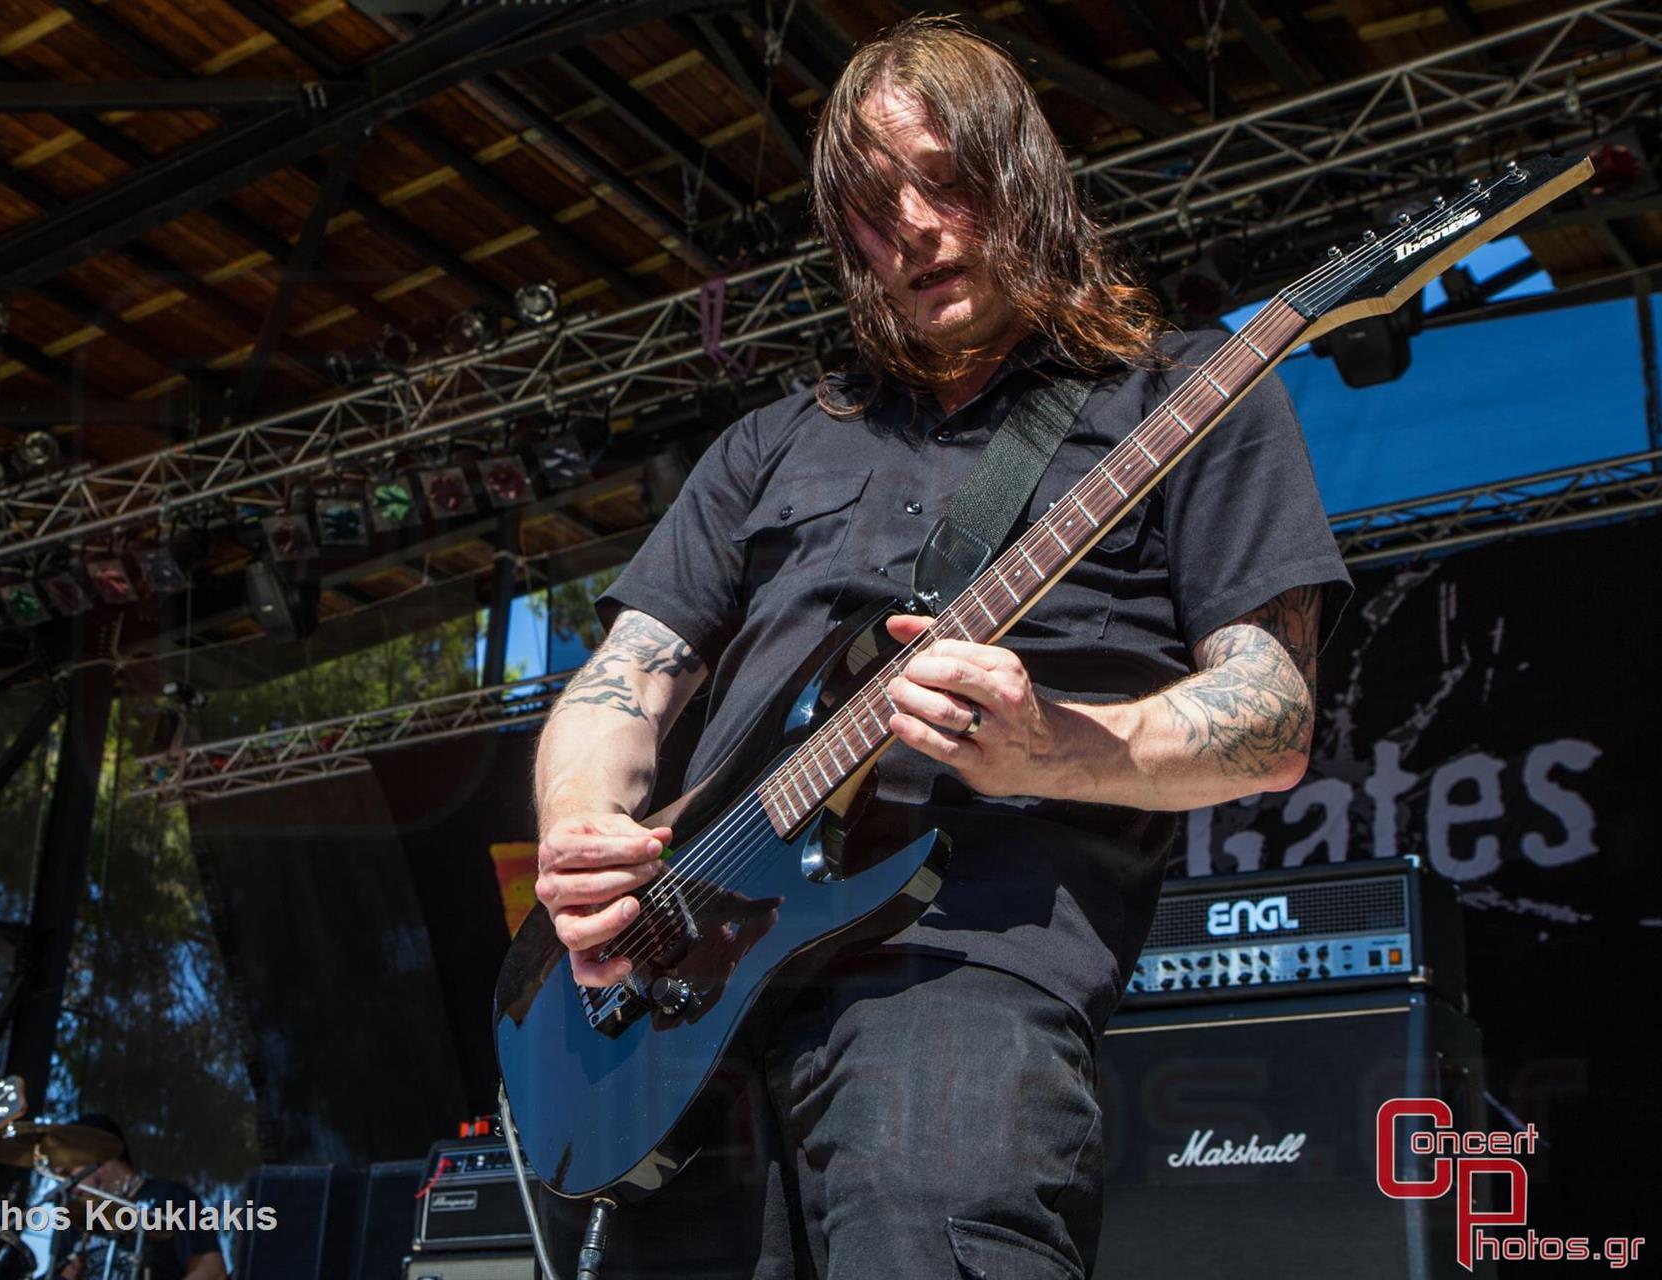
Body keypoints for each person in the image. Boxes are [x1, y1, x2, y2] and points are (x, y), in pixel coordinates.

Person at [528, 16, 1350, 1280]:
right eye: (870, 199)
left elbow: (1274, 713)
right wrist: (586, 824)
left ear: (1024, 173)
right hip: (688, 1015)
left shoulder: (1189, 397)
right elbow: (620, 675)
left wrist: (1052, 743)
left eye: (945, 176)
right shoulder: (769, 444)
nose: (910, 222)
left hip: (958, 970)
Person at [44, 1114, 225, 1280]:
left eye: (70, 1171)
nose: (67, 1183)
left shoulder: (170, 1196)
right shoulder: (73, 1220)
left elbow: (211, 1271)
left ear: (99, 1152)